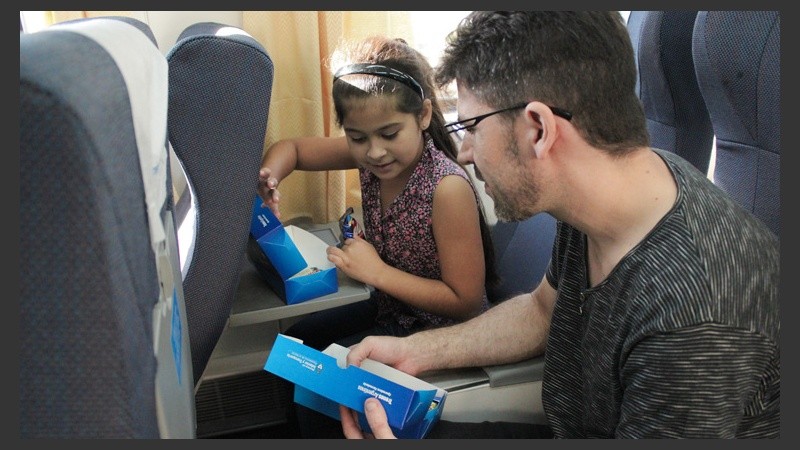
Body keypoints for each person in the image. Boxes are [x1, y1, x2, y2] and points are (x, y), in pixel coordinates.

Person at [338, 11, 780, 439]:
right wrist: (415, 350)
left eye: (471, 127)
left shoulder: (694, 321)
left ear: (538, 129)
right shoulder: (604, 195)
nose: (465, 152)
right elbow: (541, 311)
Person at [257, 35, 498, 437]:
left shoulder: (446, 189)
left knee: (320, 383)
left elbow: (465, 301)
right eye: (358, 137)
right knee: (296, 342)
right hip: (394, 309)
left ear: (422, 116)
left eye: (389, 134)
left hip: (438, 331)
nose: (374, 152)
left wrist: (377, 273)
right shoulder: (371, 154)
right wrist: (270, 178)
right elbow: (294, 149)